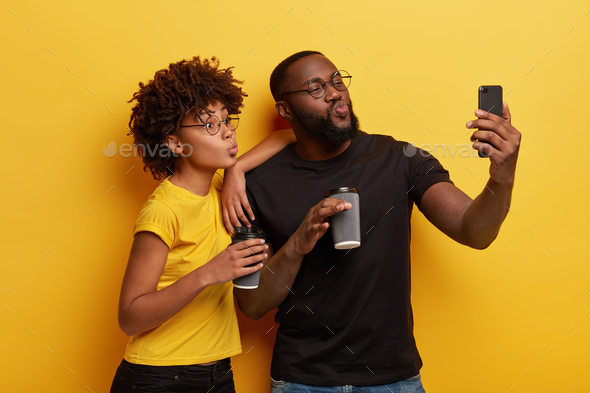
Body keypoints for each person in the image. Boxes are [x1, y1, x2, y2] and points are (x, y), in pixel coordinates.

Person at [225, 50, 521, 392]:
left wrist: (502, 176)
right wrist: (298, 242)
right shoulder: (257, 186)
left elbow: (474, 231)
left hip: (394, 380)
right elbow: (252, 304)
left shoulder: (400, 159)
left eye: (338, 81)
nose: (335, 92)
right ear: (285, 109)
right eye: (316, 88)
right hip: (302, 381)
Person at [109, 56, 294, 393]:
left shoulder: (223, 190)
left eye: (227, 119)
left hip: (217, 374)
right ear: (176, 143)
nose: (228, 131)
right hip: (159, 378)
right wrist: (211, 272)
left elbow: (289, 136)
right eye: (209, 125)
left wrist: (236, 169)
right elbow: (130, 316)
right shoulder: (163, 208)